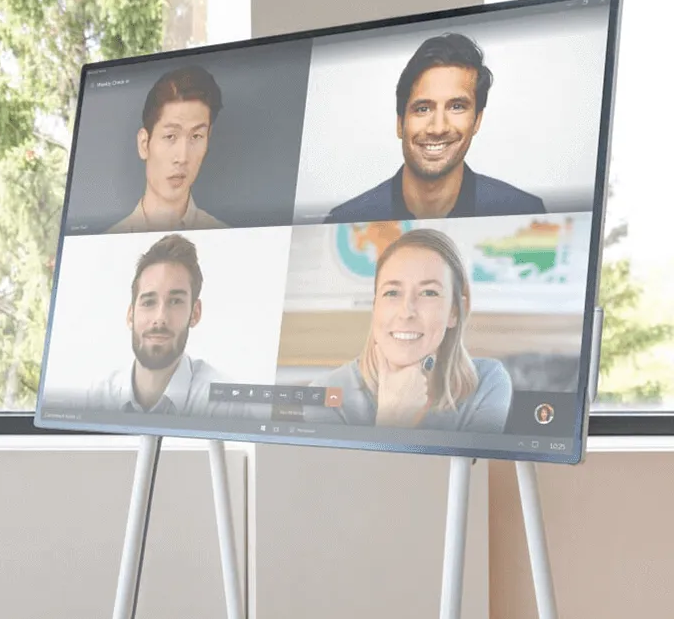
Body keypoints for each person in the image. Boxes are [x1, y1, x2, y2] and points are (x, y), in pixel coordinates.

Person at [302, 229, 512, 432]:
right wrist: (393, 419)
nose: (406, 312)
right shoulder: (325, 396)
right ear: (375, 306)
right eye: (392, 292)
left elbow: (476, 469)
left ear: (455, 312)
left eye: (429, 293)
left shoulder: (487, 383)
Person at [324, 33, 546, 223]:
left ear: (477, 120)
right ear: (400, 123)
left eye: (457, 107)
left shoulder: (524, 214)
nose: (438, 128)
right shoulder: (346, 220)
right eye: (423, 109)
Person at [85, 234, 261, 419]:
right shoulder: (96, 399)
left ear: (195, 313)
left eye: (175, 301)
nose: (160, 318)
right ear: (130, 315)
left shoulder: (225, 406)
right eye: (148, 302)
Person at [106, 65, 228, 233]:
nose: (183, 157)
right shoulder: (108, 242)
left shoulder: (225, 238)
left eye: (196, 136)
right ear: (144, 144)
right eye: (170, 136)